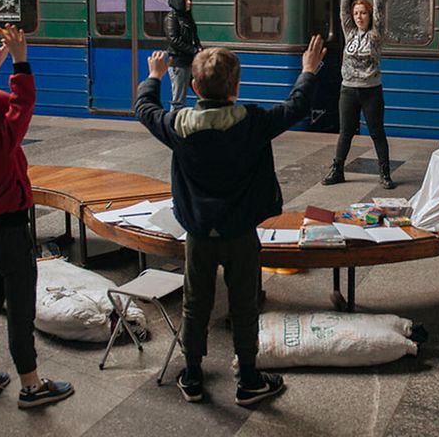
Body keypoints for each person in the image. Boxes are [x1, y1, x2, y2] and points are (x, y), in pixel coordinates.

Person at [134, 35, 326, 406]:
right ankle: (249, 379)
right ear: (236, 87)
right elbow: (297, 105)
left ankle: (191, 375)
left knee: (195, 303)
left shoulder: (178, 125)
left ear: (193, 87)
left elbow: (144, 108)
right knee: (244, 304)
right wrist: (307, 71)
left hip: (199, 233)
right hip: (240, 232)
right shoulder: (252, 122)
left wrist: (154, 76)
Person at [0, 24, 74, 408]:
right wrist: (20, 61)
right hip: (11, 236)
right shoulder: (1, 144)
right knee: (20, 312)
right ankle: (32, 385)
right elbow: (23, 105)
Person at [321, 0, 395, 189]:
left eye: (363, 13)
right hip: (348, 89)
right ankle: (338, 169)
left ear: (369, 15)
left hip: (371, 90)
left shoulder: (376, 33)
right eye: (356, 13)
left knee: (377, 132)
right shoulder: (349, 31)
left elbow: (380, 8)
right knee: (345, 133)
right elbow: (342, 8)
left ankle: (384, 173)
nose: (359, 16)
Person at [165, 0, 203, 111]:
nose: (189, 2)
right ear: (178, 1)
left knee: (203, 94)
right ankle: (173, 125)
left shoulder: (187, 17)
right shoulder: (171, 18)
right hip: (179, 63)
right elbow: (173, 40)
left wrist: (199, 47)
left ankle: (200, 119)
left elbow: (194, 36)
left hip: (190, 62)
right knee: (178, 100)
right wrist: (194, 50)